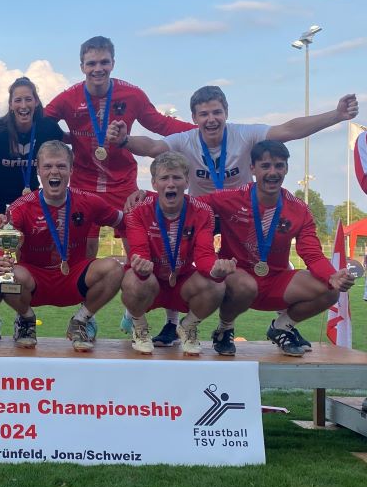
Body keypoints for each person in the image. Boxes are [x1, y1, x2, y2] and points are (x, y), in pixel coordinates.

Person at [110, 85, 359, 346]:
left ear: (226, 112)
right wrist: (126, 143)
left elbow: (288, 130)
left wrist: (336, 115)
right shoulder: (185, 139)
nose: (211, 119)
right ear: (194, 118)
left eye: (217, 112)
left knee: (250, 272)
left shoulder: (244, 134)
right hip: (203, 209)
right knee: (172, 253)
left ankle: (268, 326)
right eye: (203, 114)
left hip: (240, 210)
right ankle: (172, 323)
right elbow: (152, 147)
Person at [45, 35, 195, 340]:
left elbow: (161, 124)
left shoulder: (131, 94)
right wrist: (71, 138)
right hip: (85, 184)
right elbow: (39, 124)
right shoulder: (68, 98)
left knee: (141, 248)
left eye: (103, 62)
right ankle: (88, 315)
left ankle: (136, 310)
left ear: (113, 63)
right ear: (81, 65)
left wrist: (201, 131)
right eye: (91, 63)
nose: (97, 69)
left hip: (122, 184)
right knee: (86, 254)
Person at [198, 140, 354, 356]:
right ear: (252, 168)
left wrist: (332, 275)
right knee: (245, 284)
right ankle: (225, 329)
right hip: (238, 278)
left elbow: (311, 252)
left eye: (279, 165)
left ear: (287, 168)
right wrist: (146, 199)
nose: (273, 172)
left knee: (330, 291)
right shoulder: (229, 198)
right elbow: (186, 204)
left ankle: (282, 327)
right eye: (265, 166)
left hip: (277, 281)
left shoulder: (299, 209)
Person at [0, 140, 124, 352]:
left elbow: (126, 221)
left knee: (115, 269)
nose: (55, 172)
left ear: (71, 169)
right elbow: (1, 243)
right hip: (34, 279)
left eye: (61, 166)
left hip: (74, 276)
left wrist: (147, 200)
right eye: (48, 166)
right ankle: (25, 320)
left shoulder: (90, 201)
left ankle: (81, 320)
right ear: (38, 171)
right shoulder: (20, 207)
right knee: (4, 276)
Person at [122, 152, 237, 356]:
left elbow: (204, 256)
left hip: (182, 281)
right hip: (152, 280)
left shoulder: (202, 211)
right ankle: (139, 328)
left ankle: (188, 326)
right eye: (164, 178)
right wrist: (141, 267)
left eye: (176, 177)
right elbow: (139, 250)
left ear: (187, 181)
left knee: (217, 285)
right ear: (154, 183)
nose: (171, 184)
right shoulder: (138, 210)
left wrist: (215, 270)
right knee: (131, 278)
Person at [0, 76, 64, 340]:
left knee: (21, 256)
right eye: (18, 99)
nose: (24, 104)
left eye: (29, 99)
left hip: (26, 200)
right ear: (11, 104)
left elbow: (66, 145)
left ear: (36, 101)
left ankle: (20, 314)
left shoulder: (49, 128)